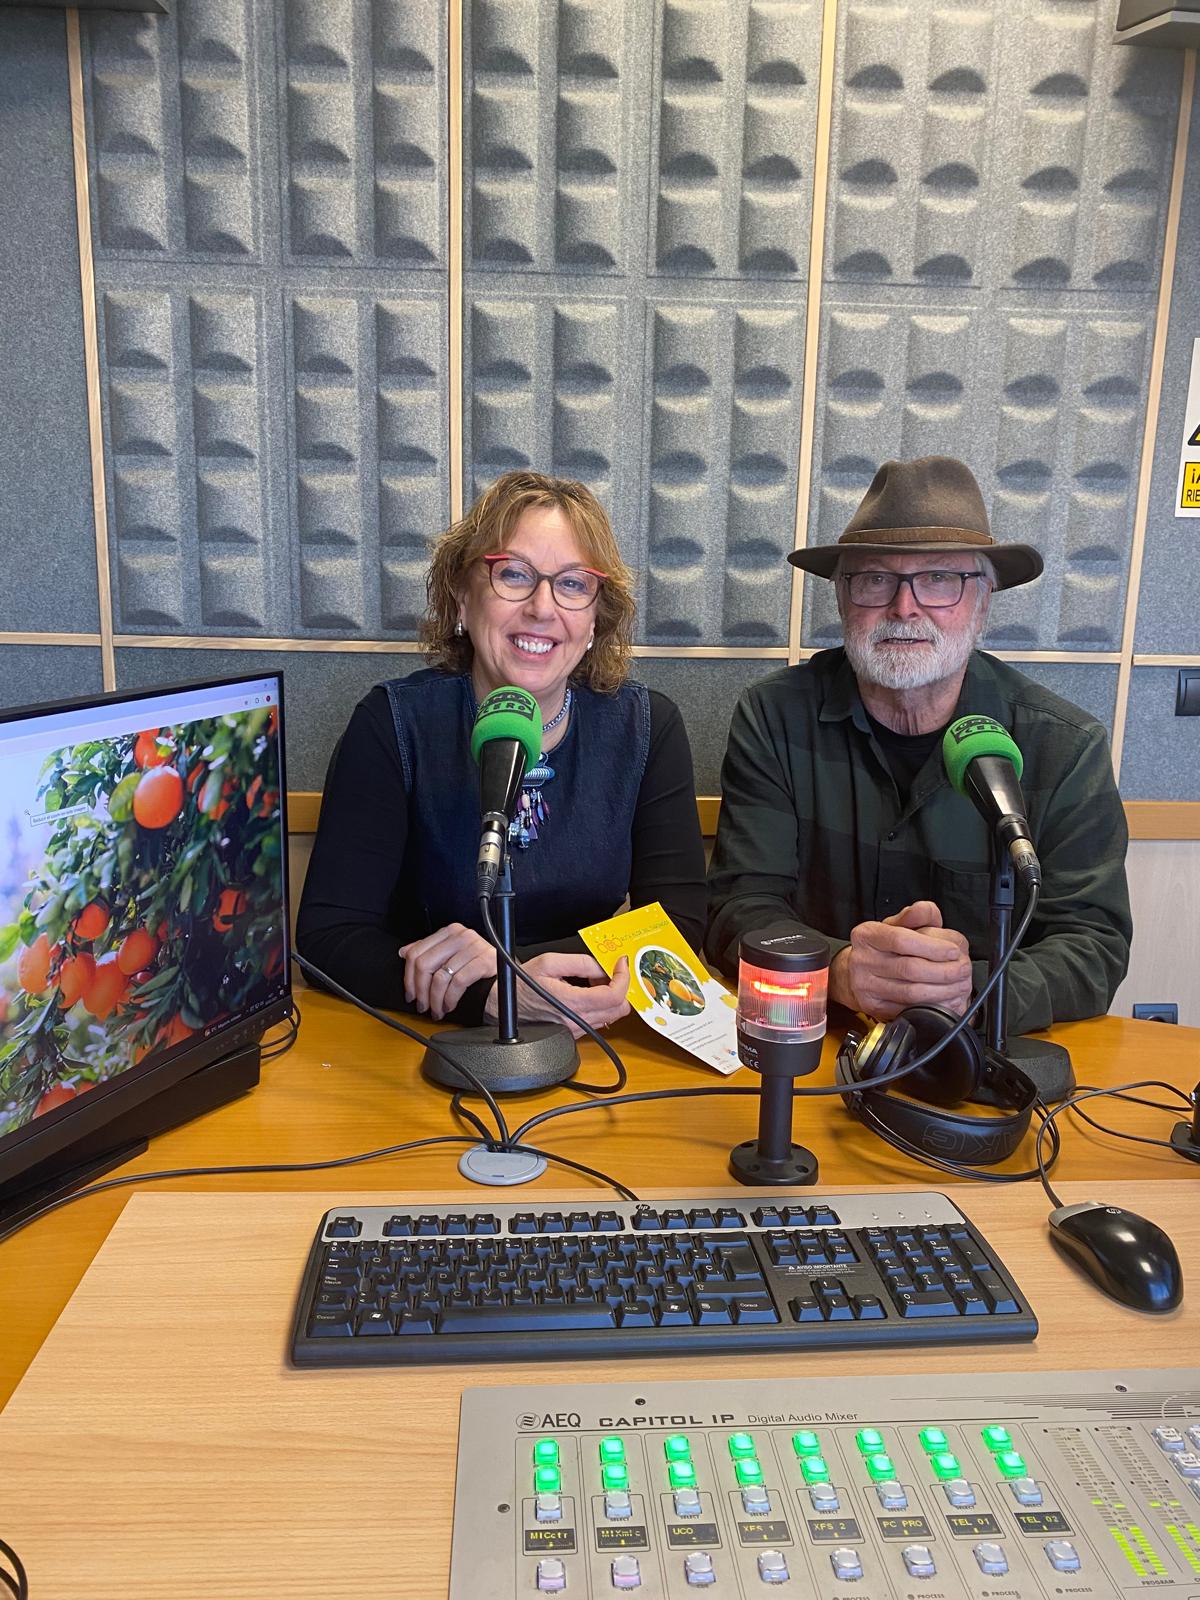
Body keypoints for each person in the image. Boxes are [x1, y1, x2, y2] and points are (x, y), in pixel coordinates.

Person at [706, 455, 1132, 1036]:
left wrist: (967, 992)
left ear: (983, 601)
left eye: (939, 579)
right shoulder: (775, 717)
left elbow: (1092, 946)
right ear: (841, 597)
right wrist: (842, 969)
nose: (904, 607)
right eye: (877, 578)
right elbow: (740, 908)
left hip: (980, 1059)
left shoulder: (1065, 747)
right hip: (817, 1047)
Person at [297, 470, 707, 1037]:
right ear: (462, 597)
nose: (543, 608)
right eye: (513, 574)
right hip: (423, 1044)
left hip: (591, 1033)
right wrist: (491, 996)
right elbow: (329, 939)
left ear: (594, 619)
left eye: (572, 584)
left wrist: (511, 969)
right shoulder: (393, 723)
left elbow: (679, 927)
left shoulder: (646, 727)